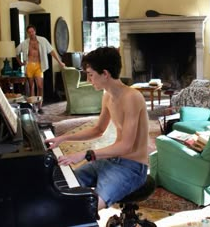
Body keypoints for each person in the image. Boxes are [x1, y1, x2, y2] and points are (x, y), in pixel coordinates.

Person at [46, 46, 149, 210]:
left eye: (91, 74)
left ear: (105, 74)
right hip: (110, 160)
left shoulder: (132, 97)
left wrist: (85, 154)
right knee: (64, 186)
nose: (88, 79)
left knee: (88, 207)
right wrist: (63, 138)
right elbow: (98, 130)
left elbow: (126, 145)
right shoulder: (107, 96)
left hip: (132, 167)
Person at [16, 24, 65, 114]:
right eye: (29, 32)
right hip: (29, 65)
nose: (31, 33)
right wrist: (20, 62)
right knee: (31, 87)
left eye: (32, 31)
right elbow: (15, 52)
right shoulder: (25, 43)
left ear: (35, 31)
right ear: (27, 33)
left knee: (40, 86)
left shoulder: (42, 40)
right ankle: (32, 106)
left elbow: (51, 51)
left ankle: (40, 106)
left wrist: (59, 62)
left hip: (39, 65)